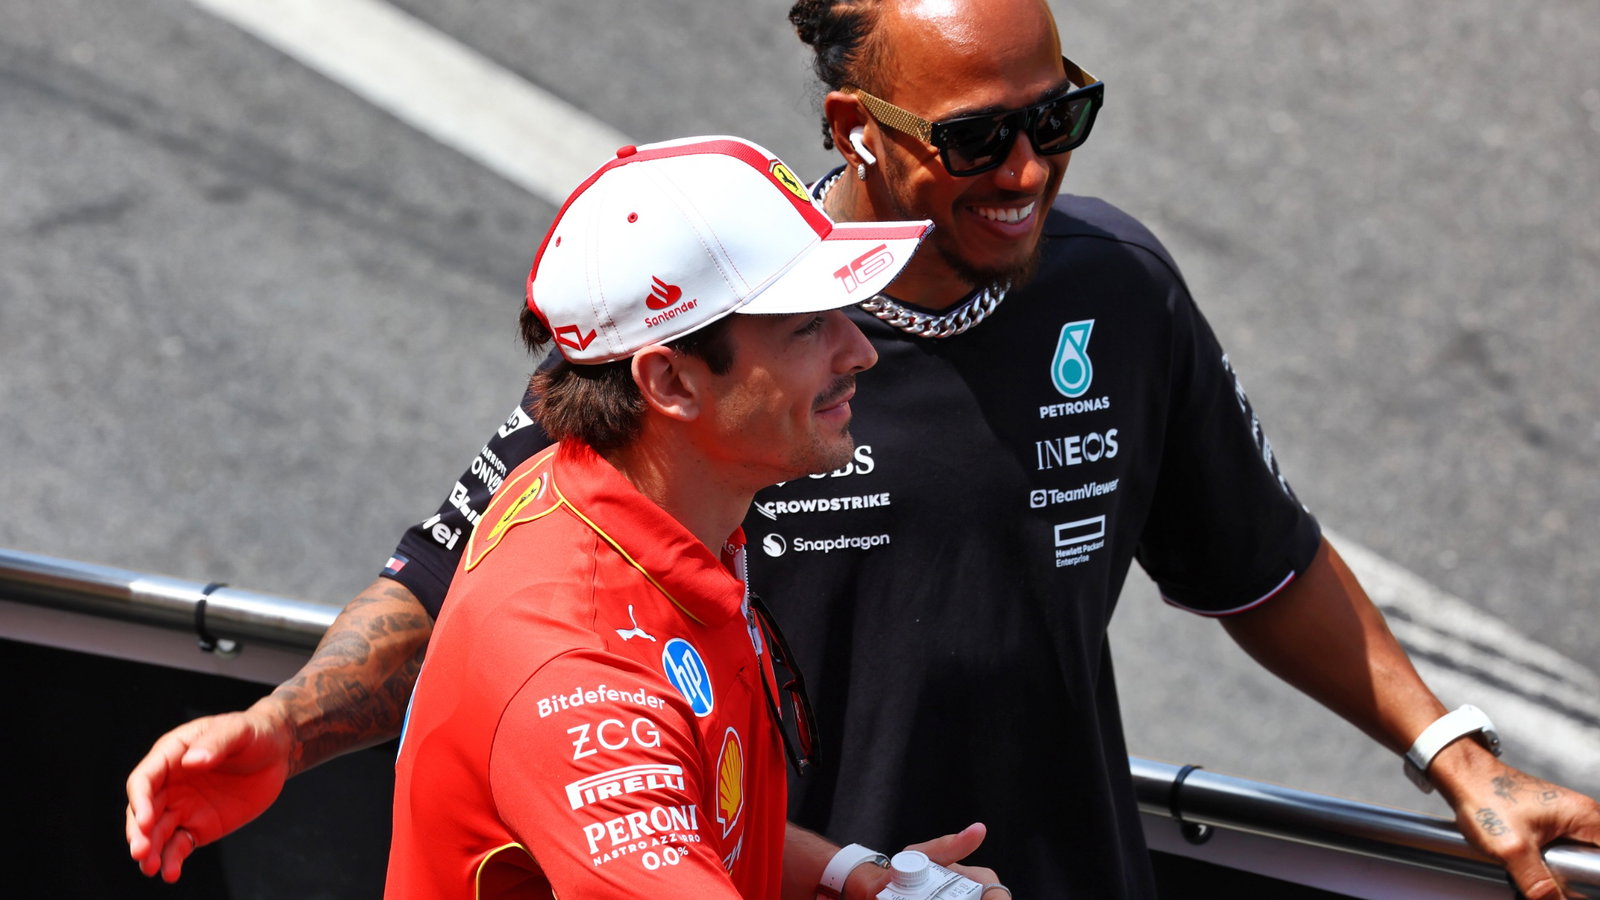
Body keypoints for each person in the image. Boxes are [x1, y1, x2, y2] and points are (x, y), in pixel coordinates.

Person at [127, 0, 1600, 896]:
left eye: (1060, 114)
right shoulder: (699, 340)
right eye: (978, 139)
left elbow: (1254, 554)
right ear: (862, 128)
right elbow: (464, 593)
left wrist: (1450, 750)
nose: (1029, 168)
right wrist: (283, 732)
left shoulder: (1113, 290)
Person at [384, 133, 1005, 898]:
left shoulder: (601, 497)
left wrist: (850, 877)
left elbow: (689, 812)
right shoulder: (585, 683)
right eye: (807, 326)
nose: (859, 351)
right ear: (671, 381)